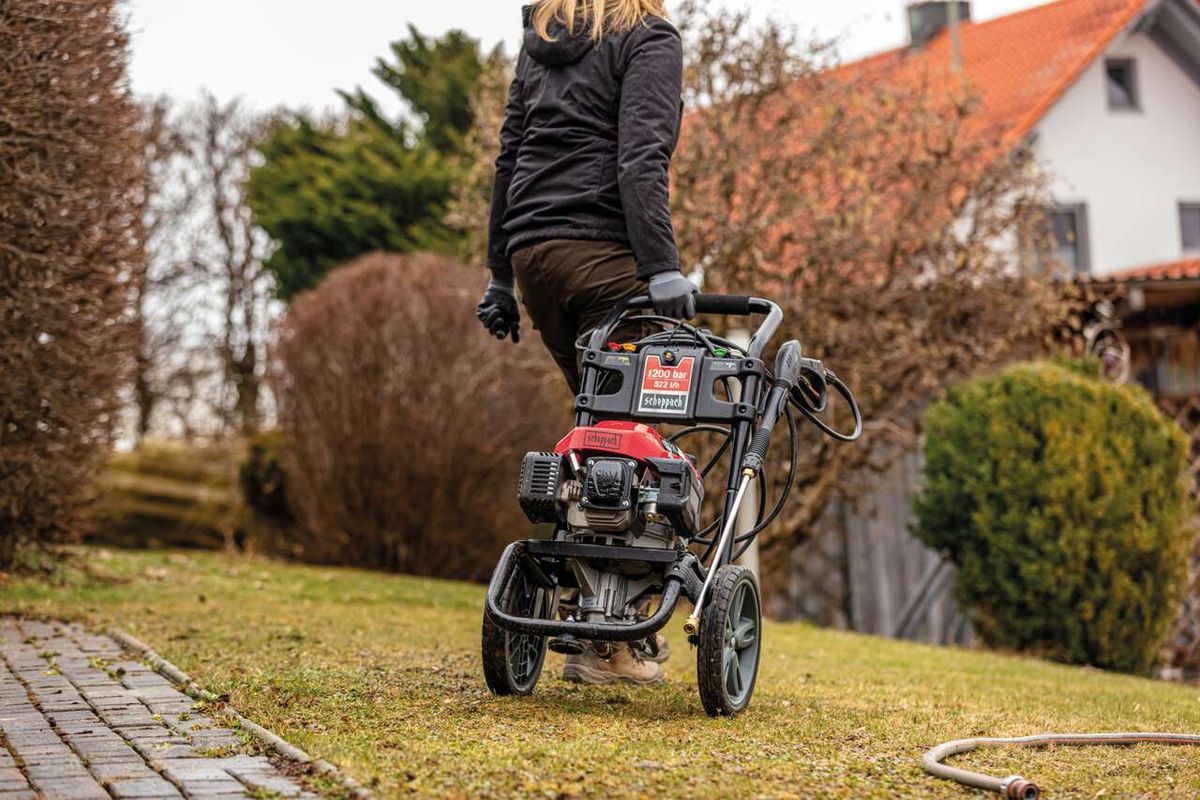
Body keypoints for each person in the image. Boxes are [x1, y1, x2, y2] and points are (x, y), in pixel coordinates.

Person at [475, 0, 696, 685]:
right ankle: (608, 642)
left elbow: (509, 159)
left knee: (602, 429)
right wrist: (661, 265)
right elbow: (640, 157)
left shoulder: (540, 41)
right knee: (627, 442)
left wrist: (501, 277)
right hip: (605, 259)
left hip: (536, 255)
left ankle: (593, 616)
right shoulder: (649, 37)